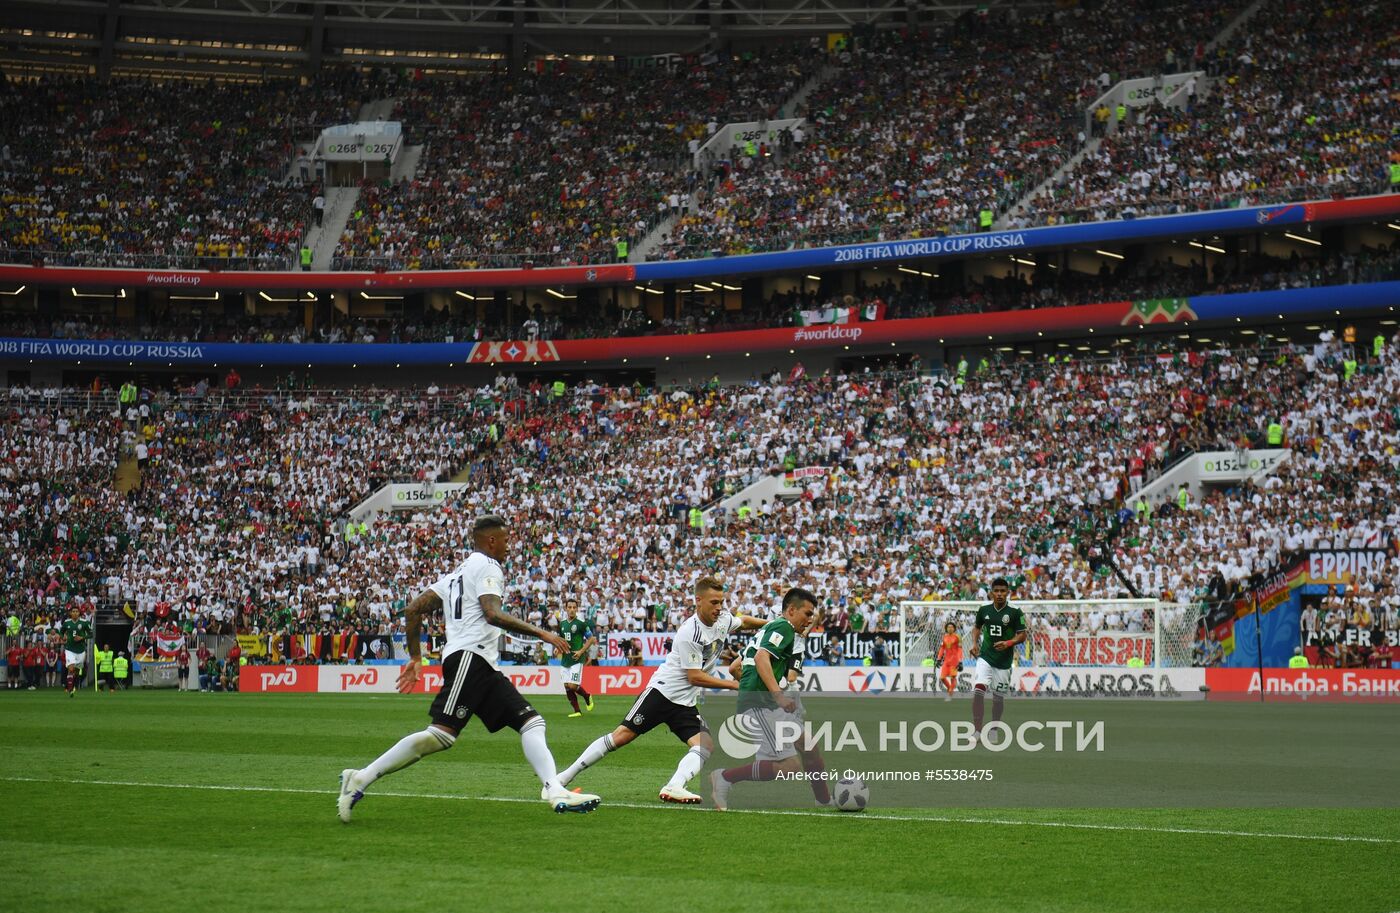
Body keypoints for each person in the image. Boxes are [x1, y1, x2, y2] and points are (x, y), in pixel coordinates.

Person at [337, 515, 601, 823]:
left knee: (532, 723)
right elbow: (492, 613)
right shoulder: (488, 566)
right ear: (491, 540)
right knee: (441, 735)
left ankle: (554, 790)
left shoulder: (455, 575)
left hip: (481, 663)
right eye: (506, 540)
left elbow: (413, 608)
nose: (509, 545)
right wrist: (543, 633)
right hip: (469, 657)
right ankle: (361, 778)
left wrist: (416, 657)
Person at [557, 577, 765, 804]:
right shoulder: (691, 631)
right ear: (698, 601)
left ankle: (675, 785)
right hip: (662, 693)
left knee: (705, 746)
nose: (718, 607)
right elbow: (694, 676)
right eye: (714, 602)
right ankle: (562, 778)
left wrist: (770, 625)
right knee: (621, 737)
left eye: (721, 602)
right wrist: (734, 685)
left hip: (684, 702)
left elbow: (743, 621)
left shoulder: (723, 619)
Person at [710, 587, 819, 811]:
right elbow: (762, 657)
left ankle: (824, 799)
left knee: (808, 746)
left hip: (762, 701)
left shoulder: (768, 629)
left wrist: (749, 686)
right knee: (790, 766)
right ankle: (725, 777)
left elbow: (734, 667)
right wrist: (777, 695)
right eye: (807, 614)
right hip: (761, 704)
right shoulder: (785, 627)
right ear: (791, 610)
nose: (810, 620)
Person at [970, 577, 1027, 739]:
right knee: (978, 691)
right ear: (991, 593)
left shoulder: (1015, 611)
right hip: (985, 657)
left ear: (1008, 592)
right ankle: (977, 731)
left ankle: (994, 729)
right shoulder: (984, 609)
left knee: (998, 699)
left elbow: (1022, 635)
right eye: (996, 591)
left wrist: (1008, 643)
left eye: (1003, 591)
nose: (1000, 594)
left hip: (1004, 662)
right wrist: (974, 643)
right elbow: (977, 627)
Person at [557, 598, 596, 717]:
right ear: (566, 608)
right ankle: (577, 711)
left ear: (577, 609)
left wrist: (581, 651)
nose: (572, 610)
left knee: (573, 685)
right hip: (565, 659)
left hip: (576, 659)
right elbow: (561, 639)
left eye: (574, 607)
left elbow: (591, 639)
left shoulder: (581, 624)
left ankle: (587, 696)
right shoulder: (562, 624)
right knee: (566, 686)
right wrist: (558, 647)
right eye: (569, 607)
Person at [61, 606, 92, 697]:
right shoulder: (66, 623)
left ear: (79, 613)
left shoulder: (84, 622)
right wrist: (63, 636)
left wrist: (82, 638)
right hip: (70, 649)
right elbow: (61, 632)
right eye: (73, 611)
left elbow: (91, 634)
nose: (75, 613)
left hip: (81, 650)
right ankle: (70, 690)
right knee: (71, 669)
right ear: (70, 613)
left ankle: (73, 684)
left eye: (76, 611)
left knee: (77, 671)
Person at [934, 621, 963, 702]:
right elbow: (942, 648)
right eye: (948, 627)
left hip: (954, 661)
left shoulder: (958, 637)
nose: (950, 628)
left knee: (952, 677)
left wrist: (960, 661)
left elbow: (960, 650)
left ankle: (950, 694)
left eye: (951, 627)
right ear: (946, 628)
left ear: (954, 628)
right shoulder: (944, 637)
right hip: (946, 661)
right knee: (942, 678)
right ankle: (951, 689)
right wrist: (938, 659)